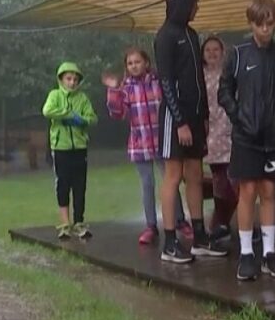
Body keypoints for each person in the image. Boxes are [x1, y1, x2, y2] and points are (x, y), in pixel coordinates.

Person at [219, 0, 275, 281]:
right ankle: (246, 253)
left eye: (270, 23)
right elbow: (224, 91)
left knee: (269, 192)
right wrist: (239, 116)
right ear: (251, 23)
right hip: (246, 137)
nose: (265, 29)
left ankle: (269, 252)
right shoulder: (238, 54)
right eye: (259, 24)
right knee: (248, 192)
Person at [154, 0, 228, 263]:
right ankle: (170, 242)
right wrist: (180, 121)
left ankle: (199, 237)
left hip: (196, 117)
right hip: (175, 118)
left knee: (195, 174)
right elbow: (166, 82)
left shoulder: (191, 34)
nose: (197, 7)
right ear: (182, 3)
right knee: (174, 175)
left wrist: (205, 116)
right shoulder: (165, 36)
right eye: (195, 2)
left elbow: (197, 77)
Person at [104, 48, 190, 245]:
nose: (134, 66)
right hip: (140, 142)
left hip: (162, 140)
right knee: (147, 184)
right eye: (130, 63)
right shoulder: (125, 88)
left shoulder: (158, 82)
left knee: (171, 181)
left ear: (146, 63)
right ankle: (151, 226)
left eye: (137, 62)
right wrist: (113, 91)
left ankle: (180, 221)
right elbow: (117, 113)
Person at [42, 62, 98, 240]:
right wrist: (67, 114)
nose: (72, 82)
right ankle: (65, 224)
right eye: (68, 79)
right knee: (63, 185)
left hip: (80, 148)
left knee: (80, 186)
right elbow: (47, 111)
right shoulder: (55, 95)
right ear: (61, 80)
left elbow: (92, 118)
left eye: (75, 79)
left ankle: (79, 222)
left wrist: (79, 120)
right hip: (61, 148)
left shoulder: (82, 98)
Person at [198, 36, 239, 242]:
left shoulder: (230, 73)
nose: (212, 53)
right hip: (211, 132)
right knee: (219, 181)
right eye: (208, 50)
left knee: (235, 180)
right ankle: (219, 224)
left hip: (231, 129)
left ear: (223, 52)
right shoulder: (199, 76)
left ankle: (234, 223)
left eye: (216, 49)